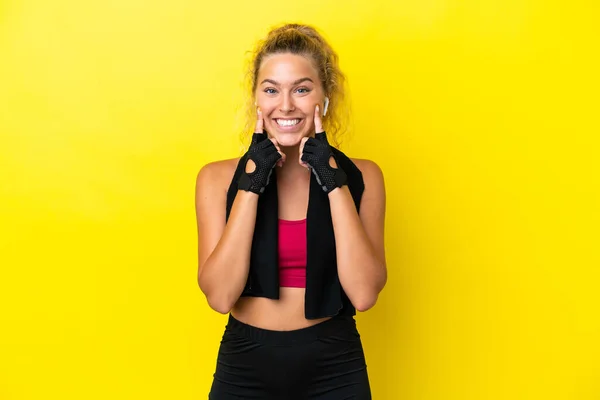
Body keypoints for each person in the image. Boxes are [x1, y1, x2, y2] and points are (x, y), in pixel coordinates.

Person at [195, 23, 387, 399]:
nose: (285, 105)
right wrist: (251, 183)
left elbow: (364, 294)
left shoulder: (363, 176)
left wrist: (333, 181)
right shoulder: (216, 179)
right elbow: (219, 297)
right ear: (256, 99)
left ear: (324, 98)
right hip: (245, 365)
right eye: (271, 90)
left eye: (301, 89)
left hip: (335, 366)